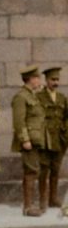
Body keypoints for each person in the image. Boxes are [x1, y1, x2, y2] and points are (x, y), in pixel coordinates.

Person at [11, 65, 45, 217]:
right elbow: (19, 121)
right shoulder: (21, 97)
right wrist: (24, 139)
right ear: (30, 79)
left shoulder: (32, 95)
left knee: (33, 171)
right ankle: (28, 206)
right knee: (31, 172)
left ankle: (30, 204)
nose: (39, 81)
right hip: (29, 141)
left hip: (36, 140)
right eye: (37, 78)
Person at [38, 66, 68, 211]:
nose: (55, 82)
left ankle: (53, 199)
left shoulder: (62, 98)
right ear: (46, 80)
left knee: (55, 170)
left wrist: (66, 135)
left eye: (57, 79)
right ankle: (43, 200)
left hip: (59, 141)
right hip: (45, 140)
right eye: (52, 79)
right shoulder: (39, 97)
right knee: (43, 171)